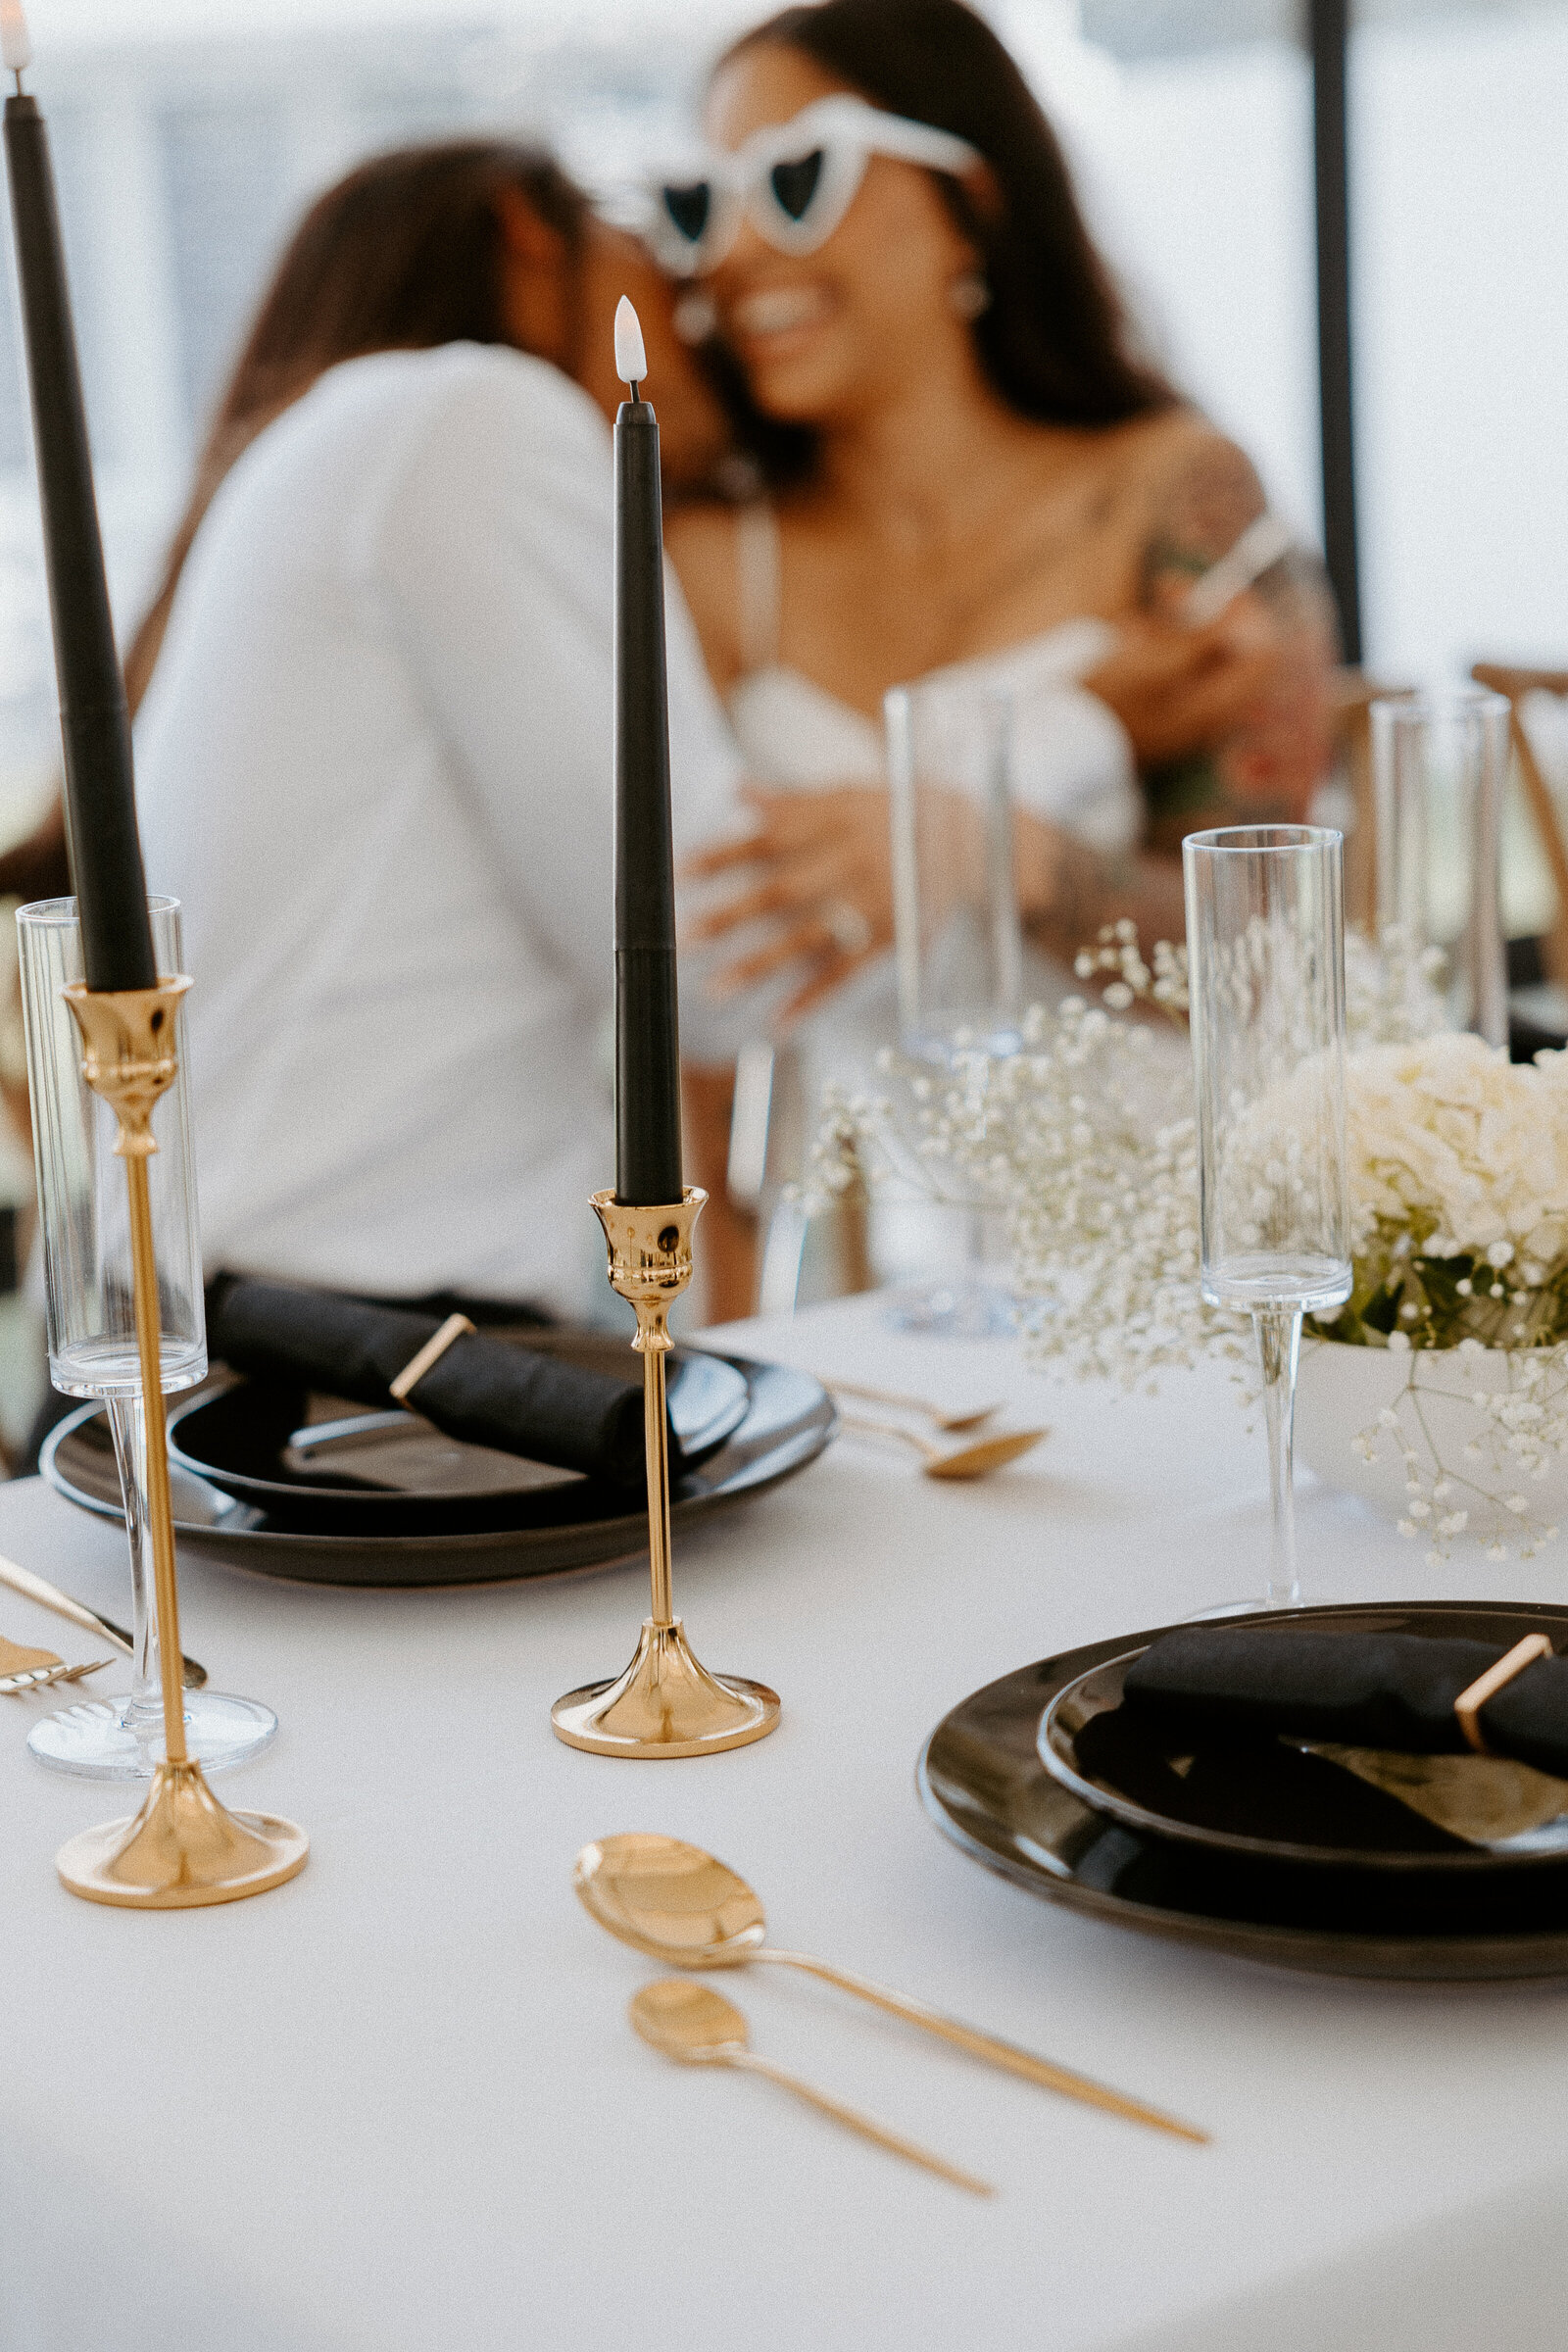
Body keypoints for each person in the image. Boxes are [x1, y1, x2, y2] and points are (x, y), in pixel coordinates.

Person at [105, 141, 763, 1319]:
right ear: (525, 226)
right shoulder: (478, 414)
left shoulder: (343, 444)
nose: (700, 305)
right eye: (657, 251)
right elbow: (708, 953)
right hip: (349, 1363)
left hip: (233, 1328)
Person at [661, 0, 1337, 1019]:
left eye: (796, 179)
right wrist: (1083, 731)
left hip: (1133, 1159)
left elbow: (1279, 966)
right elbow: (676, 973)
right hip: (822, 1177)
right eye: (706, 200)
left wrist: (992, 851)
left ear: (967, 202)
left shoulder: (1174, 500)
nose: (735, 250)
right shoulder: (710, 564)